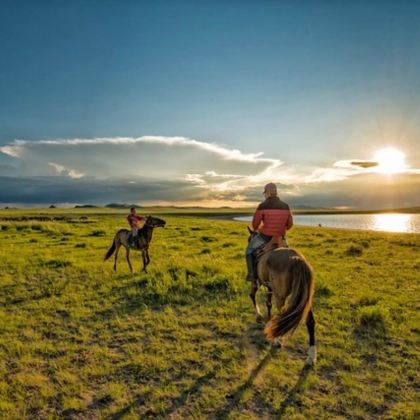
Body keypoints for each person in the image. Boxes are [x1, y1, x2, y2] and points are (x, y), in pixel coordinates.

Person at [245, 182, 293, 281]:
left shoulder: (262, 206)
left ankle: (251, 275)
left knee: (249, 251)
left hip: (265, 237)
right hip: (280, 238)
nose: (265, 195)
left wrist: (260, 228)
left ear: (267, 192)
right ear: (276, 192)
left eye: (265, 193)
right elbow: (290, 225)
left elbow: (255, 225)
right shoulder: (286, 206)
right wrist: (281, 229)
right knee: (291, 255)